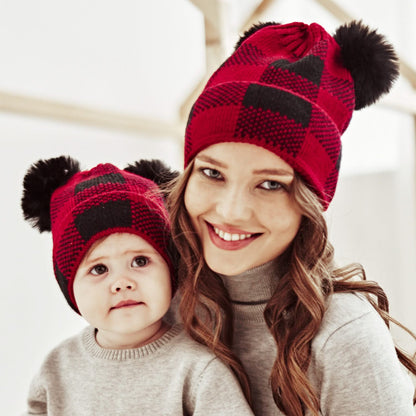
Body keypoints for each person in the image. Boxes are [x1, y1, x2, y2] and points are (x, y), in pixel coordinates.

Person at [165, 20, 416, 416]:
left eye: (270, 185)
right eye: (213, 173)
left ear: (309, 203)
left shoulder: (343, 337)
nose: (230, 211)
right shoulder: (156, 298)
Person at [21, 157, 254, 416]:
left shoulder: (197, 371)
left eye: (140, 261)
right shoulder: (57, 369)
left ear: (171, 269)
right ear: (70, 287)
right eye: (99, 269)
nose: (122, 283)